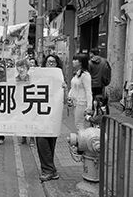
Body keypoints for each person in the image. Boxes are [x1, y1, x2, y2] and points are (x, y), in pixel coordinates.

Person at [35, 54, 65, 182]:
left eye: (53, 62)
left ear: (57, 64)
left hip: (54, 114)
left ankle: (50, 170)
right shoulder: (40, 76)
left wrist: (65, 88)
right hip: (40, 114)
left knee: (48, 141)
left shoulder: (60, 78)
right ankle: (49, 169)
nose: (51, 64)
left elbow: (66, 98)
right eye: (48, 62)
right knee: (42, 140)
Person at [68, 53, 93, 132]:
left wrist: (89, 106)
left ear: (81, 62)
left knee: (79, 125)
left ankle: (82, 142)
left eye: (76, 60)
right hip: (75, 102)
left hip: (81, 103)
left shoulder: (85, 75)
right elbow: (73, 87)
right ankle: (80, 141)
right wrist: (69, 96)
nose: (73, 61)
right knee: (77, 124)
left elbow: (88, 91)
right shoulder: (77, 74)